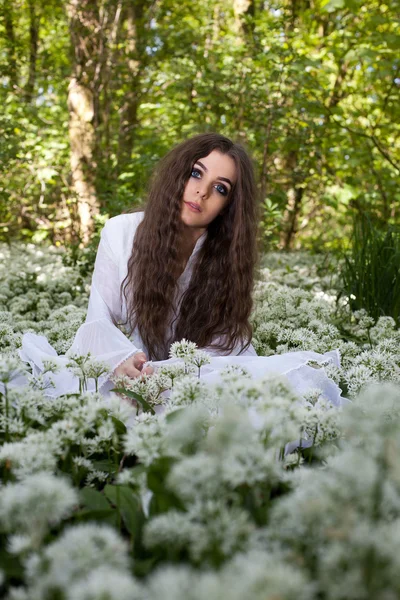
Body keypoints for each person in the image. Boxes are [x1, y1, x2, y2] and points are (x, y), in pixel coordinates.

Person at [18, 132, 345, 405]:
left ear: (226, 208)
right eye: (196, 173)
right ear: (178, 174)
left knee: (285, 391)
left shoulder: (225, 261)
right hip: (129, 369)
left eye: (220, 189)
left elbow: (223, 350)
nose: (202, 191)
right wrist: (118, 360)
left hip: (195, 377)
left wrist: (169, 374)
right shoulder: (120, 232)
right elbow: (98, 320)